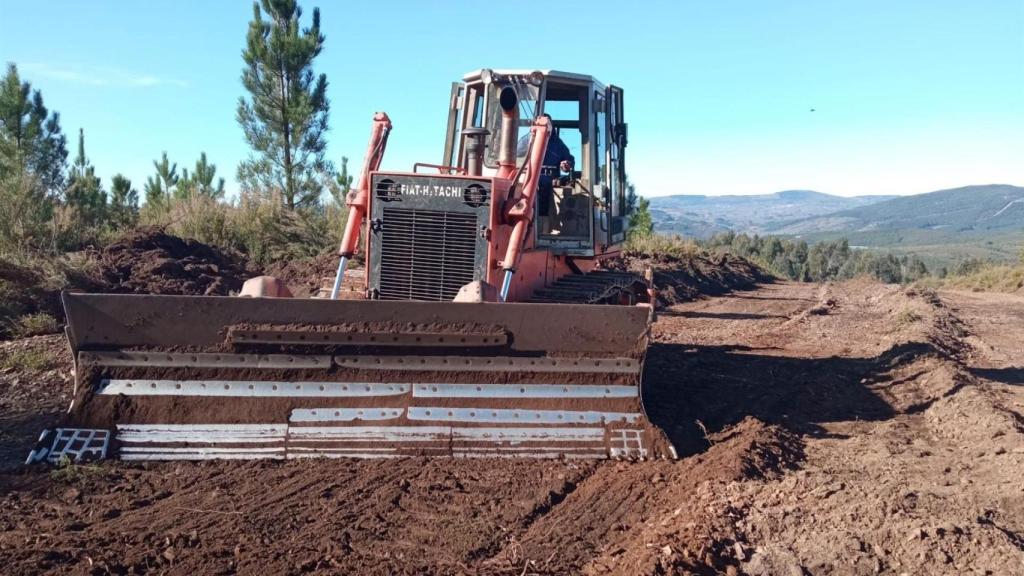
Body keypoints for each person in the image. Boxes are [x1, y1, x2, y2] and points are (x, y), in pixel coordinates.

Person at [517, 113, 574, 233]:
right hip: (530, 181)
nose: (544, 126)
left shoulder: (558, 144)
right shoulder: (528, 139)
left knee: (545, 210)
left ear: (551, 126)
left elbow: (568, 161)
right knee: (526, 206)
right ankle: (526, 232)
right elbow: (516, 153)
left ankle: (542, 232)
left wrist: (566, 164)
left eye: (547, 124)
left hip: (549, 184)